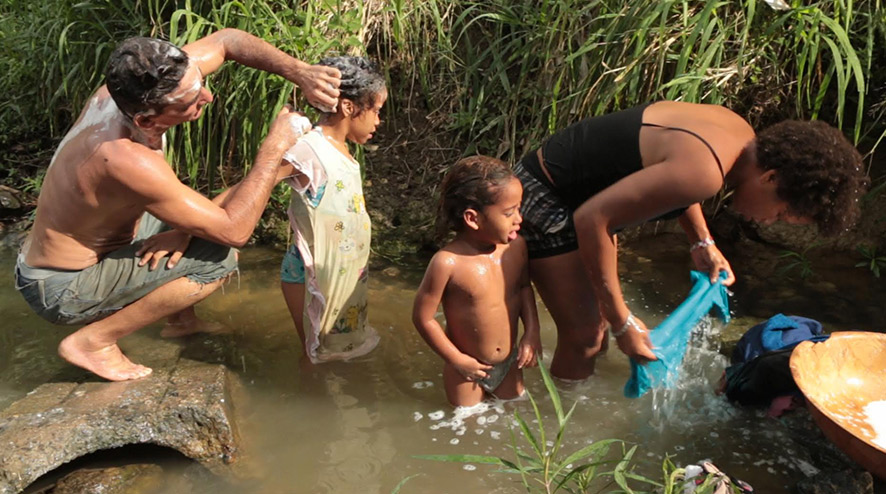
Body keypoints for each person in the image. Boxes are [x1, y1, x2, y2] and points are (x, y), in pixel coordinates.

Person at [14, 29, 342, 381]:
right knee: (216, 259)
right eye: (190, 100)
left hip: (90, 241)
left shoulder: (139, 87)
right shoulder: (125, 157)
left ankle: (180, 320)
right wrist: (273, 150)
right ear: (147, 121)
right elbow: (234, 231)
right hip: (61, 286)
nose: (208, 96)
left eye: (199, 83)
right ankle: (93, 341)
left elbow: (227, 41)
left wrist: (301, 72)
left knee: (190, 216)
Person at [512, 101, 868, 380]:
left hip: (582, 194)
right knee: (587, 337)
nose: (767, 220)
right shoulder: (705, 174)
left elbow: (672, 176)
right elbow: (592, 220)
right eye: (779, 213)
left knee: (595, 331)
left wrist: (702, 242)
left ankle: (579, 386)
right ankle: (562, 432)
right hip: (546, 196)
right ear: (771, 178)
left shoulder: (738, 134)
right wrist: (622, 321)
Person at [275, 56, 385, 363]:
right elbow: (254, 185)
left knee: (340, 352)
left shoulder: (343, 148)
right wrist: (189, 231)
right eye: (375, 110)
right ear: (349, 107)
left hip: (341, 275)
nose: (378, 120)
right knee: (317, 357)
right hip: (314, 279)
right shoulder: (310, 149)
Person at [413, 156, 542, 407]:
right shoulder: (448, 263)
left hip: (509, 363)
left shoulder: (516, 248)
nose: (519, 219)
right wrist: (456, 359)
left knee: (515, 419)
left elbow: (524, 288)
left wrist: (532, 331)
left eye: (518, 208)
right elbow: (423, 318)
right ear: (473, 218)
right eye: (508, 212)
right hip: (465, 370)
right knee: (469, 430)